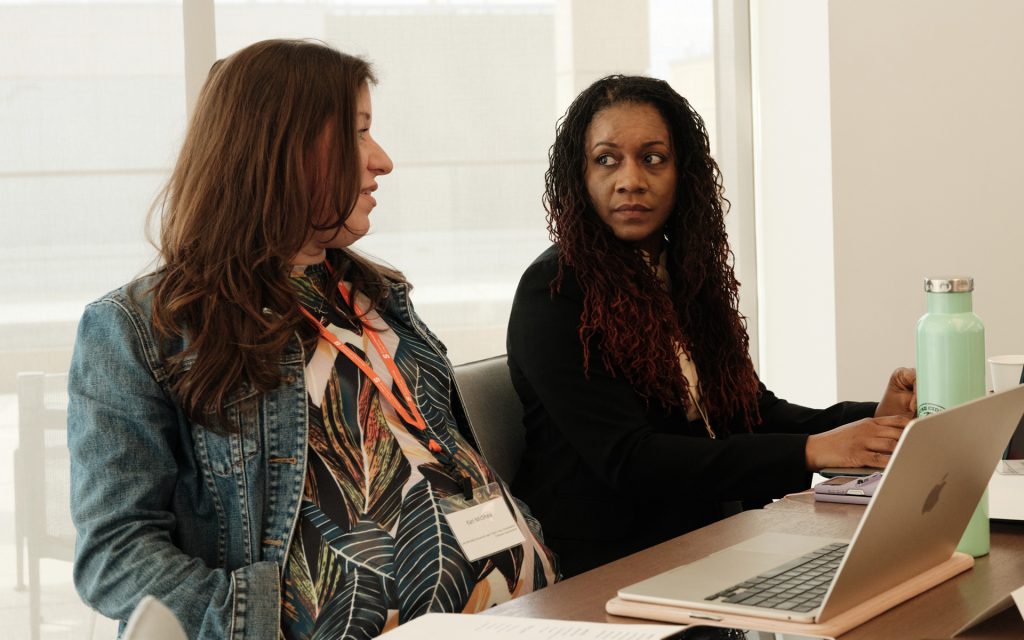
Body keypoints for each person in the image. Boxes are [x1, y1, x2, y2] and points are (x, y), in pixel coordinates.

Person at [68, 39, 557, 639]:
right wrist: (264, 623)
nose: (382, 160)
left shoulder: (377, 294)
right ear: (280, 149)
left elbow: (450, 458)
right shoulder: (144, 327)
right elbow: (114, 555)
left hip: (531, 620)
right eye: (357, 132)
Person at [506, 75, 915, 578]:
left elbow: (748, 412)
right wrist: (814, 450)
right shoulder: (555, 289)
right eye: (607, 159)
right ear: (580, 175)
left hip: (706, 541)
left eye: (653, 158)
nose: (630, 179)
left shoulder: (683, 274)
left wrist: (875, 421)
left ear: (685, 174)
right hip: (605, 567)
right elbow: (631, 460)